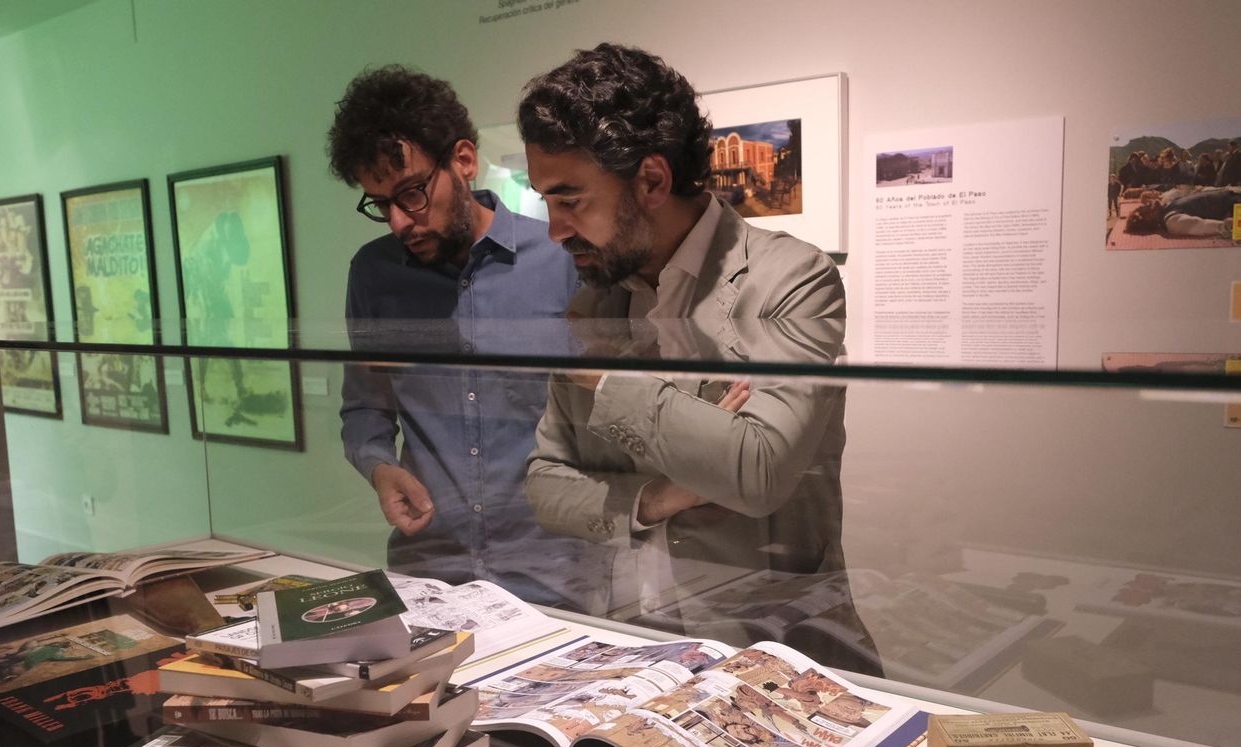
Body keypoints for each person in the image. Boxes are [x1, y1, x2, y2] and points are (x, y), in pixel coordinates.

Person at [515, 43, 881, 674]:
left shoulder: (791, 279)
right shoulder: (593, 303)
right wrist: (661, 495)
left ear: (652, 180)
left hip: (776, 654)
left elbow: (758, 472)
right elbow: (546, 487)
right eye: (546, 201)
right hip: (633, 649)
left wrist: (605, 382)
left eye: (570, 199)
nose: (554, 230)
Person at [330, 65, 601, 610]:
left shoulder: (560, 258)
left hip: (555, 575)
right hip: (428, 575)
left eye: (411, 193)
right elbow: (364, 408)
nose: (399, 223)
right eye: (380, 205)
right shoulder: (374, 272)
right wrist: (381, 467)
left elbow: (609, 412)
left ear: (464, 160)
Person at [1124, 186, 1241, 238]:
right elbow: (1201, 226)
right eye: (1145, 209)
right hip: (1239, 206)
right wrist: (1237, 225)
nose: (1150, 204)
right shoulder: (1172, 220)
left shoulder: (1167, 207)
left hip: (1238, 197)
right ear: (1148, 220)